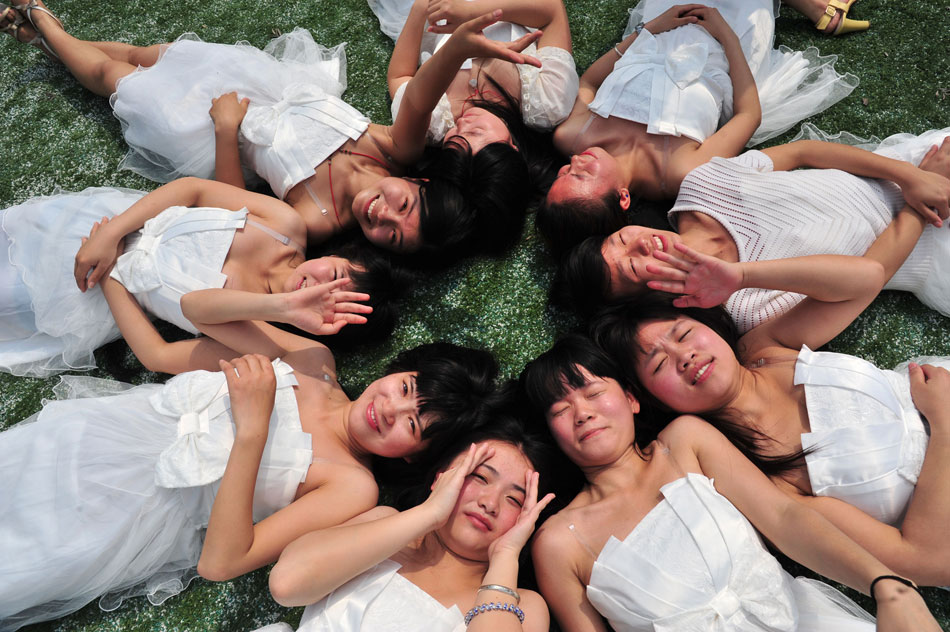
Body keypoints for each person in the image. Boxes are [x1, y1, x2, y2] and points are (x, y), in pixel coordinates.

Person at [0, 330, 502, 630]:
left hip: (134, 508)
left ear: (416, 457)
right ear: (399, 369)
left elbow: (223, 562)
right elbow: (198, 312)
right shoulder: (314, 360)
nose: (388, 409)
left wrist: (254, 428)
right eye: (406, 387)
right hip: (102, 431)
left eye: (412, 424)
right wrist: (284, 303)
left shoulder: (353, 486)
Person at [2, 2, 540, 258]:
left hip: (219, 121)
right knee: (153, 55)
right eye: (403, 207)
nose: (382, 213)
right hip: (269, 81)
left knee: (114, 78)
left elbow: (230, 203)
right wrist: (460, 48)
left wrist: (224, 127)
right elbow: (421, 95)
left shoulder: (316, 220)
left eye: (389, 234)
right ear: (420, 183)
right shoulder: (395, 149)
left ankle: (43, 20)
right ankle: (49, 41)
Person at [589, 235, 950, 585]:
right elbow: (925, 561)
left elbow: (866, 278)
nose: (685, 357)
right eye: (658, 365)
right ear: (654, 401)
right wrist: (943, 422)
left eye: (684, 335)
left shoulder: (765, 347)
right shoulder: (767, 480)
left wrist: (741, 276)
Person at [520, 334, 941, 631]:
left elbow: (785, 518)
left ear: (631, 399)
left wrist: (887, 586)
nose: (582, 413)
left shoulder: (686, 441)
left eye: (592, 392)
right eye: (560, 409)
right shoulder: (558, 543)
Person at [536, 1, 858, 255]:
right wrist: (726, 34)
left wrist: (647, 30)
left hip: (661, 24)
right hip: (728, 44)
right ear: (622, 198)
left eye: (563, 173)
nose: (574, 163)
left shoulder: (571, 137)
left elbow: (589, 82)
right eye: (580, 176)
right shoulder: (681, 171)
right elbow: (748, 116)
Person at [0, 177, 405, 377]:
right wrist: (110, 233)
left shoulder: (260, 336)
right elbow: (193, 190)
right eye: (331, 275)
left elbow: (157, 356)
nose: (313, 287)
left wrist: (110, 276)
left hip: (87, 291)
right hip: (107, 221)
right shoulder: (285, 224)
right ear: (334, 254)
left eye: (327, 300)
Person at [558, 130, 950, 327]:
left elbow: (802, 152)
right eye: (632, 266)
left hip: (902, 168)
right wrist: (923, 204)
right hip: (928, 240)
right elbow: (871, 276)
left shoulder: (700, 185)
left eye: (623, 238)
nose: (640, 245)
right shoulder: (744, 308)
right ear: (647, 297)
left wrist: (907, 174)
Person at [254, 416, 555, 632]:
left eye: (515, 500)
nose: (490, 503)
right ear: (443, 476)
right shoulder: (384, 523)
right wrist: (429, 513)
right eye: (479, 477)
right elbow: (287, 584)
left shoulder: (524, 606)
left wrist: (505, 556)